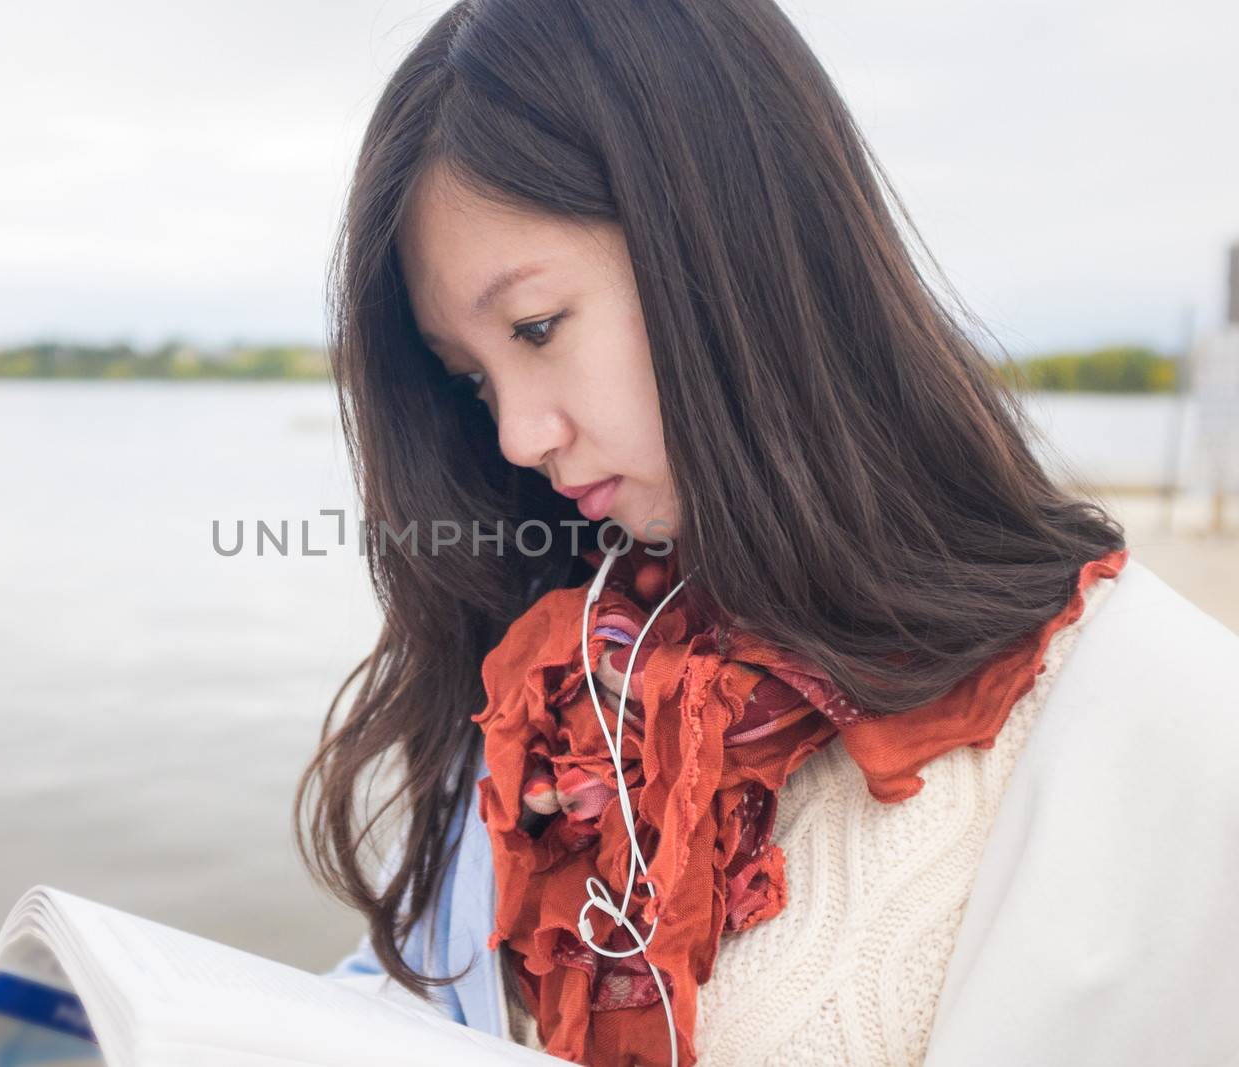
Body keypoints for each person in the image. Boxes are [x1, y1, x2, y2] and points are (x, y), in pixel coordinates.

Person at [291, 1, 1239, 1064]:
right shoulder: (563, 658)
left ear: (730, 242)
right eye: (472, 377)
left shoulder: (1150, 714)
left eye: (536, 329)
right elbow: (429, 994)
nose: (517, 434)